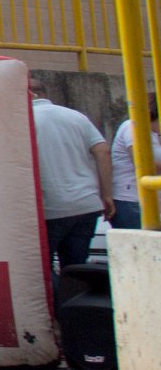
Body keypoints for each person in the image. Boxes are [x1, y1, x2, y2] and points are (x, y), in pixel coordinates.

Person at [30, 71, 113, 272]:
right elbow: (102, 151)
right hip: (86, 205)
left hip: (49, 208)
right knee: (76, 268)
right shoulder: (76, 116)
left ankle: (57, 295)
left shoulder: (23, 120)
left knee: (42, 271)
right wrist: (107, 195)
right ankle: (75, 292)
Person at [110, 91, 158, 232]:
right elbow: (145, 165)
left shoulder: (155, 134)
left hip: (149, 202)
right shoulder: (132, 127)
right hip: (131, 200)